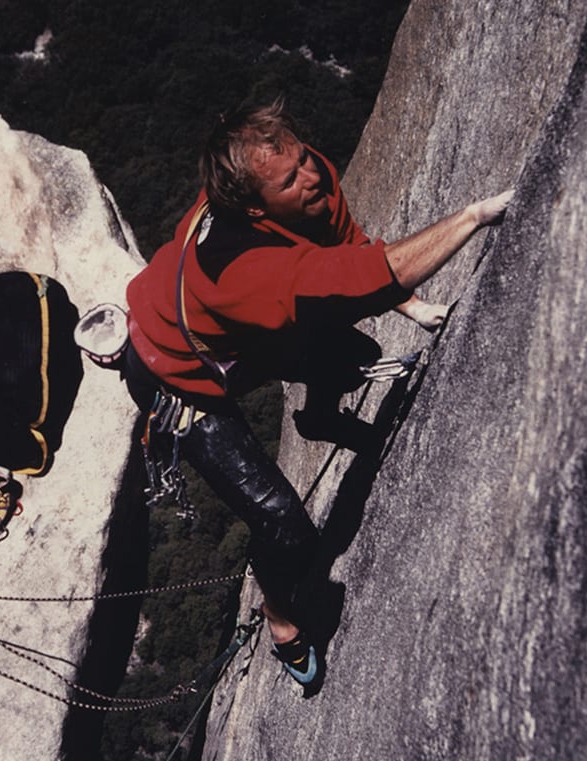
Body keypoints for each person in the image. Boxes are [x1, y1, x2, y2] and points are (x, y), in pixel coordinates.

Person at [122, 99, 513, 689]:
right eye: (291, 178)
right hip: (177, 377)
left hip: (227, 337)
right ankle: (279, 617)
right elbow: (366, 277)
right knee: (288, 528)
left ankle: (320, 421)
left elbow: (346, 246)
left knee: (350, 355)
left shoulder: (303, 181)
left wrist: (407, 305)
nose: (312, 177)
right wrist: (474, 216)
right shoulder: (241, 270)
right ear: (254, 206)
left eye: (303, 159)